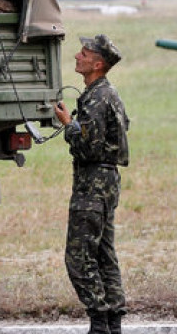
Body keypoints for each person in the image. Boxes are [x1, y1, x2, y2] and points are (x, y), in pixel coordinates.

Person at [53, 34, 130, 334]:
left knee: (80, 257)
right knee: (104, 254)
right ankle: (113, 323)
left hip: (93, 183)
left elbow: (89, 147)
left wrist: (68, 125)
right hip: (106, 182)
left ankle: (100, 323)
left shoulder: (98, 98)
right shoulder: (106, 93)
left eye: (84, 54)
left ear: (97, 64)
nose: (76, 56)